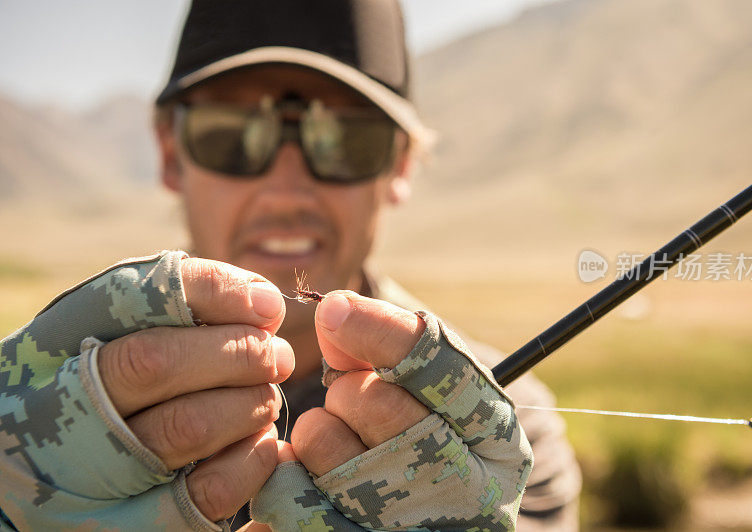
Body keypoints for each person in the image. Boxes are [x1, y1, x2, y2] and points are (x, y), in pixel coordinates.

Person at [0, 0, 580, 530]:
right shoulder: (51, 392)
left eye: (345, 139)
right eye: (231, 133)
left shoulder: (504, 433)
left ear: (400, 164)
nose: (286, 192)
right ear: (171, 154)